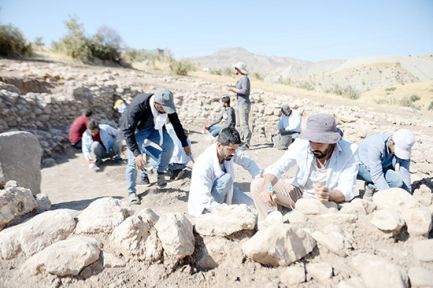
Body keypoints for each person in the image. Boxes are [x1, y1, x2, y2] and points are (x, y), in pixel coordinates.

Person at [251, 113, 359, 220]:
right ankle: (266, 225)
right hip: (300, 193)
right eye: (312, 141)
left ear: (331, 141)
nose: (314, 147)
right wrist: (267, 187)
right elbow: (277, 168)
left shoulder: (350, 151)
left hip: (328, 200)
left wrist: (329, 195)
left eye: (320, 143)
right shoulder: (302, 144)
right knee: (259, 184)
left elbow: (346, 190)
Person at [121, 88, 191, 204]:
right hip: (137, 131)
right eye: (164, 108)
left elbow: (177, 124)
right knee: (133, 162)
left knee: (169, 145)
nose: (167, 111)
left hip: (156, 128)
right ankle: (131, 192)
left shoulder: (167, 106)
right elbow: (127, 131)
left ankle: (161, 173)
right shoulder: (138, 106)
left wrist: (185, 144)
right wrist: (137, 153)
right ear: (156, 104)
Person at [188, 127, 261, 217]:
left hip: (227, 192)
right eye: (231, 150)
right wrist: (227, 211)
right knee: (227, 179)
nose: (234, 153)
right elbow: (204, 200)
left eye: (235, 150)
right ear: (219, 145)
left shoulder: (230, 150)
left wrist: (259, 179)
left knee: (252, 207)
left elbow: (249, 163)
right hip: (206, 205)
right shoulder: (203, 164)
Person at [357, 129, 415, 196]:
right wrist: (388, 197)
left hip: (381, 164)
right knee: (396, 181)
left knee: (399, 182)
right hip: (362, 167)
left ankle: (371, 185)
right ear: (391, 142)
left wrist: (407, 194)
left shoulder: (402, 144)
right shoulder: (376, 145)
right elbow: (377, 175)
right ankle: (371, 187)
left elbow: (404, 171)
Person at [228, 62, 251, 150]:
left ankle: (247, 143)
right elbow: (240, 88)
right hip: (239, 103)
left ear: (239, 70)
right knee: (238, 124)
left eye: (236, 68)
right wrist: (232, 86)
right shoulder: (241, 79)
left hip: (244, 104)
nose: (235, 70)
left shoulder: (245, 79)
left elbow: (245, 91)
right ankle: (241, 141)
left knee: (243, 124)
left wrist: (233, 89)